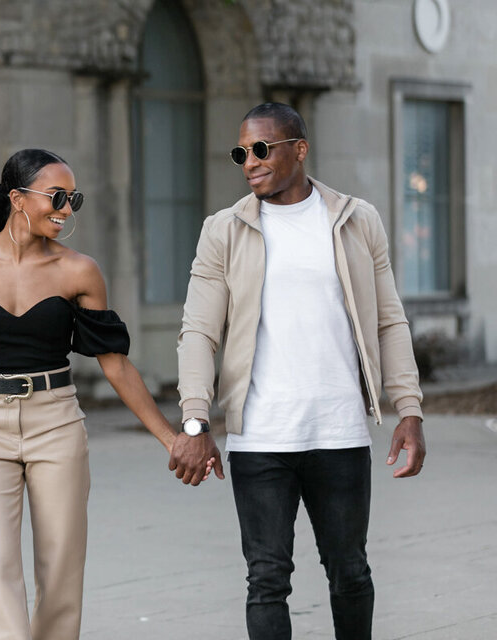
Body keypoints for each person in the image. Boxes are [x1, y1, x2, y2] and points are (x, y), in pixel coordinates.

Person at [169, 102, 427, 640]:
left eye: (262, 149)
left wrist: (410, 410)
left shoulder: (356, 220)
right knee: (266, 579)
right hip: (260, 437)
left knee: (350, 572)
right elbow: (199, 331)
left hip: (339, 431)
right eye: (241, 153)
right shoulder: (224, 230)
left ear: (299, 149)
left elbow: (389, 321)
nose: (250, 162)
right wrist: (195, 421)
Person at [0, 148, 187, 640]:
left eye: (73, 199)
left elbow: (115, 364)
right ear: (17, 198)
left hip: (56, 422)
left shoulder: (79, 271)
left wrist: (170, 438)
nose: (67, 210)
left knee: (61, 571)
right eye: (58, 197)